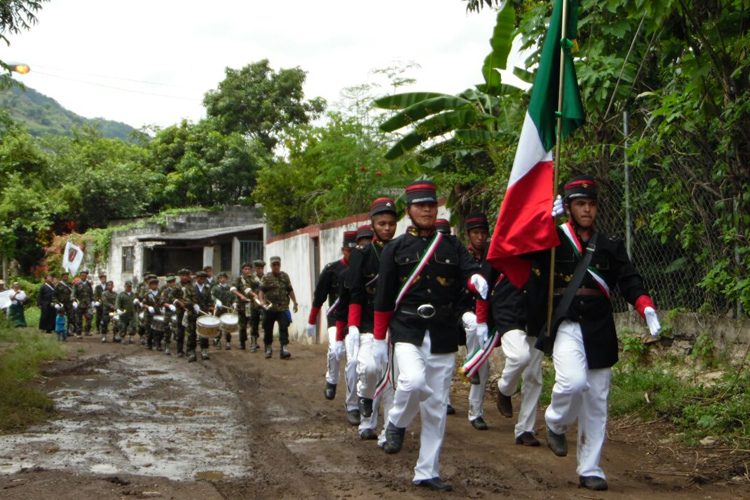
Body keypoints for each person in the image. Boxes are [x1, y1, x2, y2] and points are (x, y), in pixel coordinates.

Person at [532, 175, 662, 491]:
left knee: (597, 401)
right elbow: (529, 261)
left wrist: (644, 305)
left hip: (600, 327)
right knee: (572, 382)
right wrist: (543, 227)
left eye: (591, 204)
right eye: (580, 204)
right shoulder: (553, 240)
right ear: (569, 207)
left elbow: (629, 280)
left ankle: (591, 468)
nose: (587, 209)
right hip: (567, 323)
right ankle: (554, 421)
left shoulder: (610, 245)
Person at [374, 180, 488, 492]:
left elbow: (469, 272)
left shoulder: (451, 246)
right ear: (408, 210)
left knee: (436, 406)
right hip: (407, 329)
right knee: (412, 381)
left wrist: (477, 280)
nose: (426, 209)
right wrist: (378, 342)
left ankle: (427, 470)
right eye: (420, 205)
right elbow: (383, 299)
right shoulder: (395, 249)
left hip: (442, 331)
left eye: (431, 204)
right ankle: (396, 421)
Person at [346, 198, 398, 441]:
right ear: (373, 224)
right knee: (368, 368)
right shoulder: (363, 253)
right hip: (367, 322)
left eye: (391, 223)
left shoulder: (403, 248)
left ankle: (385, 428)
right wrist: (354, 326)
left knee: (392, 379)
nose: (387, 228)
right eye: (382, 223)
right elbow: (355, 290)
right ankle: (365, 401)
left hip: (396, 322)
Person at [305, 231, 358, 424]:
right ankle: (331, 379)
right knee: (336, 351)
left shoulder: (363, 269)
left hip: (356, 319)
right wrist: (312, 320)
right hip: (336, 317)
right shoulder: (331, 270)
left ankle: (353, 404)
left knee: (353, 362)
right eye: (349, 251)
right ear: (344, 250)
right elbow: (319, 296)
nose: (353, 254)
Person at [457, 213, 492, 431]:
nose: (480, 237)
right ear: (468, 235)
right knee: (471, 323)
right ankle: (471, 360)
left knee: (485, 365)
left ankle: (475, 412)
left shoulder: (492, 255)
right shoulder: (462, 255)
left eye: (483, 233)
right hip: (464, 310)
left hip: (488, 315)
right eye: (475, 233)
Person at [259, 256, 298, 359]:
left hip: (282, 308)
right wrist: (262, 301)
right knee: (268, 329)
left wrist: (295, 302)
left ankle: (284, 349)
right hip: (269, 309)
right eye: (274, 265)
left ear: (280, 265)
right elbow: (261, 291)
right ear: (271, 266)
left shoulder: (285, 276)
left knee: (284, 328)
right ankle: (268, 348)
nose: (276, 266)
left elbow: (290, 290)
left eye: (278, 264)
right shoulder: (266, 277)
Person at [190, 270, 212, 361]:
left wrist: (211, 309)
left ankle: (204, 351)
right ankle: (191, 352)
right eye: (200, 278)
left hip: (204, 313)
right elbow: (186, 299)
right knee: (192, 333)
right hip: (192, 313)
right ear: (196, 278)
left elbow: (210, 301)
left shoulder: (207, 288)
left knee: (204, 332)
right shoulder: (191, 288)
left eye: (204, 278)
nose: (202, 279)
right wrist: (193, 304)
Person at [211, 272, 235, 349]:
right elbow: (212, 296)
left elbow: (234, 297)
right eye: (220, 278)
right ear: (218, 279)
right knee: (218, 326)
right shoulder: (215, 288)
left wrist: (234, 303)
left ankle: (228, 342)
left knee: (228, 326)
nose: (222, 279)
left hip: (227, 309)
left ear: (227, 279)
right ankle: (217, 341)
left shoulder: (230, 288)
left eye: (224, 278)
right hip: (218, 309)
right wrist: (216, 301)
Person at [159, 276, 179, 355]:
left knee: (178, 329)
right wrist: (169, 305)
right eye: (170, 282)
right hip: (168, 313)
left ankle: (179, 348)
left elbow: (182, 299)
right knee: (167, 330)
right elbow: (161, 302)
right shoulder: (165, 291)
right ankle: (167, 346)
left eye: (173, 282)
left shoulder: (178, 290)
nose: (172, 284)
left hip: (177, 312)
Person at [72, 269, 94, 336]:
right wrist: (74, 301)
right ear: (80, 276)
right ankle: (78, 333)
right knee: (78, 319)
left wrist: (93, 301)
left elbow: (91, 293)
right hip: (80, 304)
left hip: (88, 304)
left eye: (85, 275)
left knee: (90, 316)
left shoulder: (88, 284)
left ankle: (87, 331)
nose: (83, 276)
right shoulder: (77, 284)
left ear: (86, 276)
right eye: (82, 275)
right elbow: (73, 293)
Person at [55, 271, 75, 337]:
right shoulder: (58, 285)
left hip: (69, 303)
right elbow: (54, 295)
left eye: (67, 276)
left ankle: (69, 331)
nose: (66, 278)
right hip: (62, 304)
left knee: (71, 317)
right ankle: (61, 331)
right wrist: (57, 303)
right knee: (61, 317)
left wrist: (74, 300)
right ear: (62, 277)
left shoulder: (70, 284)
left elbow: (73, 293)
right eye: (64, 276)